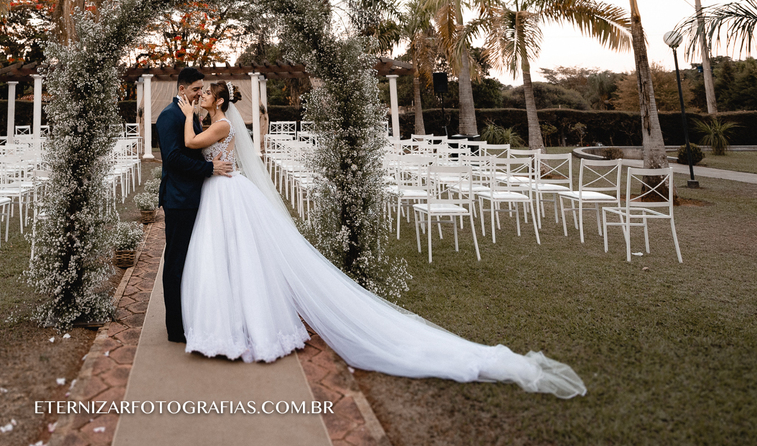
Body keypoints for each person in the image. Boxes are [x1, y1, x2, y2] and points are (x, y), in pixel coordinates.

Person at [175, 81, 586, 399]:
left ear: (220, 101)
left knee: (240, 255)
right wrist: (198, 120)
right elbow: (201, 150)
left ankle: (247, 326)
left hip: (228, 194)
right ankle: (230, 322)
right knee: (225, 257)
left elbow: (193, 144)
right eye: (200, 94)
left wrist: (188, 114)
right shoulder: (219, 123)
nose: (201, 97)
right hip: (221, 191)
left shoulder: (222, 123)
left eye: (206, 94)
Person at [157, 67, 233, 344]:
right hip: (179, 199)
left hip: (196, 196)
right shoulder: (168, 116)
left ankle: (191, 316)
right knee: (175, 262)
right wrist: (209, 168)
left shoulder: (191, 115)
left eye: (203, 89)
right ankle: (175, 328)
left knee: (193, 260)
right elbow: (174, 158)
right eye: (196, 89)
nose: (200, 93)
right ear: (182, 90)